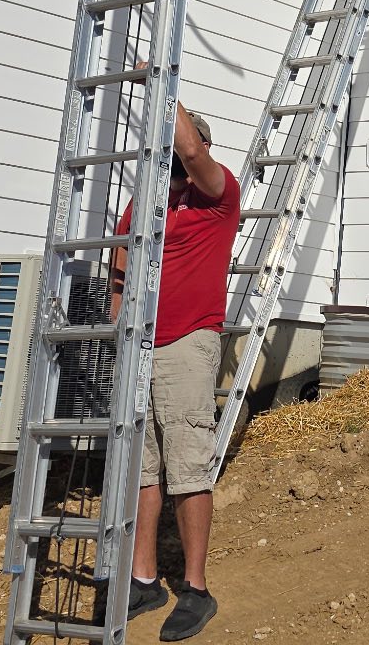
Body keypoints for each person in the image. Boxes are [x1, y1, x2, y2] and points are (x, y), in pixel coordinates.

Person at [110, 88, 239, 641]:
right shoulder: (147, 204)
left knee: (188, 465)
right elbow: (120, 253)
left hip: (189, 343)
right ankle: (144, 578)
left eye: (182, 151)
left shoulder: (217, 193)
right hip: (140, 345)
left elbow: (189, 153)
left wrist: (160, 87)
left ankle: (195, 588)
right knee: (143, 467)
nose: (175, 162)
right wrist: (118, 314)